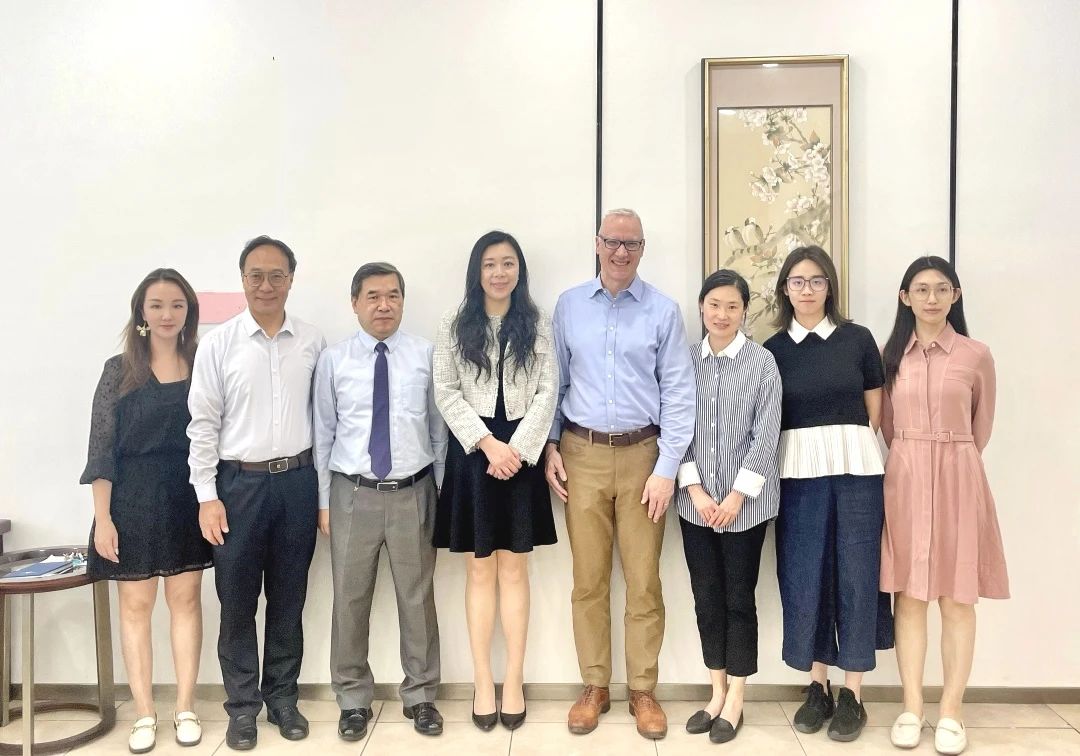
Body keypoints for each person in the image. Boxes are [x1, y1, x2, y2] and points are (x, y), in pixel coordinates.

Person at [544, 208, 695, 740]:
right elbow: (554, 383)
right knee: (587, 581)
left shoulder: (663, 311)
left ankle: (643, 690)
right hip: (581, 454)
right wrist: (550, 445)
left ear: (643, 249)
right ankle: (594, 686)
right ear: (597, 244)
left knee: (643, 581)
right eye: (612, 242)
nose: (621, 252)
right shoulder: (568, 306)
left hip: (643, 458)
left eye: (631, 244)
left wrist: (666, 468)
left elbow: (679, 393)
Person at [188, 236, 325, 751]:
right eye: (256, 275)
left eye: (276, 275)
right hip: (237, 487)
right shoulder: (219, 344)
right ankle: (242, 708)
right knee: (237, 601)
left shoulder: (312, 342)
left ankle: (283, 699)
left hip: (298, 482)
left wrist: (323, 495)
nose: (266, 285)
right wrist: (207, 495)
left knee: (289, 598)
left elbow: (324, 420)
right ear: (242, 279)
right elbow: (202, 425)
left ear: (291, 279)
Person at [763, 245, 893, 743]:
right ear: (785, 289)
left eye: (817, 281)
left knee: (858, 575)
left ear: (830, 287)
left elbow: (874, 410)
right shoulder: (773, 350)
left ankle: (853, 693)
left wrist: (841, 445)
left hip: (856, 472)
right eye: (798, 281)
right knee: (806, 574)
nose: (808, 290)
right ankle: (817, 686)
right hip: (798, 476)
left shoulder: (857, 339)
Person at [313, 262, 448, 741]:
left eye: (393, 295)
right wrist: (324, 503)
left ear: (403, 302)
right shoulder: (334, 361)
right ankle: (352, 700)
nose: (384, 305)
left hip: (414, 492)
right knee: (349, 599)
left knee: (417, 598)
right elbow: (324, 434)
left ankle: (421, 695)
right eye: (373, 296)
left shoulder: (425, 355)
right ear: (355, 303)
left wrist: (439, 491)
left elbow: (438, 431)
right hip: (352, 495)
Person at [880, 256, 1009, 755]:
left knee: (957, 598)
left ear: (955, 295)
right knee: (910, 596)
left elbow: (982, 426)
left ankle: (951, 710)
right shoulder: (891, 355)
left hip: (958, 477)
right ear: (905, 296)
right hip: (907, 479)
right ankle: (912, 707)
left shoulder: (976, 355)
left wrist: (949, 458)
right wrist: (916, 457)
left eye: (941, 289)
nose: (931, 298)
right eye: (921, 289)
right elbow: (888, 426)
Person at [432, 231, 558, 732]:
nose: (499, 273)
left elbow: (548, 390)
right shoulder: (453, 321)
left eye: (508, 263)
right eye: (490, 264)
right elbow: (445, 391)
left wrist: (518, 450)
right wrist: (487, 445)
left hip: (522, 454)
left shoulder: (537, 321)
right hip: (473, 454)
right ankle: (483, 681)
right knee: (480, 571)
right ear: (477, 271)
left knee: (515, 572)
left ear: (519, 270)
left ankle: (514, 680)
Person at [82, 268, 211, 754]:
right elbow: (100, 449)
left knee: (186, 601)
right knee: (136, 607)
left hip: (186, 497)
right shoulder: (118, 370)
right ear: (141, 311)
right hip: (130, 501)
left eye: (177, 305)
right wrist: (104, 518)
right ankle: (143, 713)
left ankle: (185, 708)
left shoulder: (201, 363)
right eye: (157, 305)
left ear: (188, 312)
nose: (166, 314)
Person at [675, 269, 782, 745]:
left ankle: (737, 696)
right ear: (702, 307)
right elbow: (674, 426)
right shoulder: (683, 362)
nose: (722, 314)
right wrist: (697, 491)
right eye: (714, 305)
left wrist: (737, 495)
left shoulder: (762, 364)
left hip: (746, 507)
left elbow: (766, 434)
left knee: (739, 599)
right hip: (694, 504)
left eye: (732, 306)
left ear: (744, 312)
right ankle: (715, 691)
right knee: (706, 598)